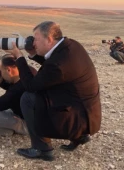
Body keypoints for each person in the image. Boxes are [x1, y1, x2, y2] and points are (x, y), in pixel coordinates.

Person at [6, 21, 101, 161]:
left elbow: (31, 85)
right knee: (44, 92)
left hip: (79, 116)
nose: (33, 43)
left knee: (28, 98)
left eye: (36, 39)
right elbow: (53, 68)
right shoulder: (70, 46)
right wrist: (33, 53)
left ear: (49, 39)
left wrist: (19, 58)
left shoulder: (59, 64)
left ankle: (42, 149)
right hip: (86, 111)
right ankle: (79, 136)